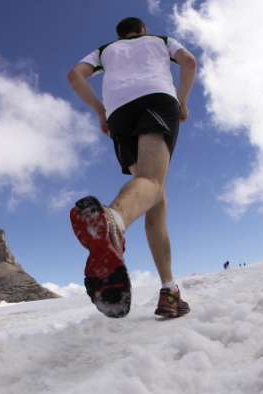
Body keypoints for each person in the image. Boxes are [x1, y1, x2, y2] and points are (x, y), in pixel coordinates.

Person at [67, 17, 197, 318]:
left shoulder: (105, 51)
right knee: (152, 182)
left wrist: (100, 111)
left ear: (120, 35)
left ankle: (170, 291)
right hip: (156, 99)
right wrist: (182, 101)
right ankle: (113, 221)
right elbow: (189, 62)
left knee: (154, 196)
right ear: (143, 30)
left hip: (119, 112)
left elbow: (75, 75)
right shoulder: (161, 41)